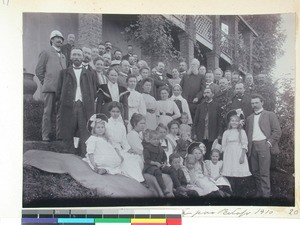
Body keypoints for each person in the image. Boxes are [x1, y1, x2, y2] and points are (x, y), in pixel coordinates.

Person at [56, 47, 97, 156]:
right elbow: (59, 92)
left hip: (84, 106)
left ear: (83, 57)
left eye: (79, 55)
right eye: (74, 55)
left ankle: (85, 156)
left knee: (85, 132)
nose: (77, 57)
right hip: (69, 105)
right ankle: (69, 156)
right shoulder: (64, 73)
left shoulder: (90, 73)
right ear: (70, 57)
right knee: (68, 130)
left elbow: (94, 91)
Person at [246, 94, 281, 198]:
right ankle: (259, 193)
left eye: (256, 102)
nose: (254, 105)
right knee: (255, 171)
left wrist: (269, 142)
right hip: (252, 146)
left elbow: (277, 131)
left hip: (264, 144)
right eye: (252, 103)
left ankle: (266, 194)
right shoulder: (249, 118)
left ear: (262, 102)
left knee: (264, 171)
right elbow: (248, 132)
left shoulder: (270, 114)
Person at [35, 30, 67, 141]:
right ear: (51, 40)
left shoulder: (63, 56)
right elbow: (38, 70)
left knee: (60, 113)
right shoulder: (46, 52)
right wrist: (45, 82)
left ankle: (59, 136)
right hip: (50, 88)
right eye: (57, 37)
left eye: (61, 38)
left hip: (61, 89)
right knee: (47, 112)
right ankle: (45, 136)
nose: (59, 40)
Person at [107, 104, 144, 182]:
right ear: (109, 112)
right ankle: (133, 179)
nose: (115, 113)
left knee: (134, 158)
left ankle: (137, 179)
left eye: (117, 112)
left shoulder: (121, 125)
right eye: (113, 111)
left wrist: (128, 149)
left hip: (119, 148)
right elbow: (106, 140)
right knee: (125, 160)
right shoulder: (106, 124)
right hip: (110, 148)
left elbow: (124, 141)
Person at [221, 111, 251, 197]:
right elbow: (224, 145)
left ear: (239, 122)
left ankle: (239, 194)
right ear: (230, 122)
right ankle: (231, 193)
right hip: (229, 155)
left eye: (236, 121)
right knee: (230, 175)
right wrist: (226, 156)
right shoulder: (226, 132)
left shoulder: (241, 132)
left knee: (238, 175)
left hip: (238, 154)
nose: (234, 122)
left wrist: (242, 156)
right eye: (232, 121)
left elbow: (244, 144)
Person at [192, 88, 222, 159]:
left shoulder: (216, 106)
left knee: (210, 153)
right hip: (201, 134)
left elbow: (220, 122)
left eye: (208, 93)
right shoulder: (200, 106)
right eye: (205, 93)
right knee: (201, 153)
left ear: (212, 94)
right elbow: (195, 121)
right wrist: (194, 133)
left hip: (212, 134)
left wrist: (219, 134)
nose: (206, 95)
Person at [143, 130, 172, 197]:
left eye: (158, 139)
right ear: (150, 140)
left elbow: (164, 158)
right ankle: (164, 188)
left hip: (159, 165)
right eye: (154, 139)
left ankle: (178, 187)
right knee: (157, 172)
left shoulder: (160, 148)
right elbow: (147, 160)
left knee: (171, 170)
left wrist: (164, 163)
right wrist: (155, 163)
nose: (156, 141)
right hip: (150, 167)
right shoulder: (147, 148)